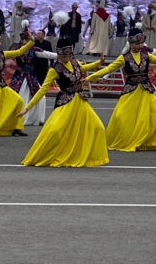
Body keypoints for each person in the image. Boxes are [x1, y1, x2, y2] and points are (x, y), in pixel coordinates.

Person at [87, 7, 156, 152]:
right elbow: (108, 69)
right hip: (131, 91)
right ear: (130, 44)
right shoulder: (124, 57)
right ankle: (125, 139)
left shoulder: (146, 55)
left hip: (146, 89)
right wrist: (90, 78)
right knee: (121, 117)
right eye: (137, 44)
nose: (140, 46)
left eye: (141, 43)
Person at [19, 12, 110, 168]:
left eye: (69, 53)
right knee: (55, 131)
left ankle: (90, 156)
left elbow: (83, 67)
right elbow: (42, 91)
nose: (67, 56)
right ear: (58, 54)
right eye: (64, 54)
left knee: (98, 127)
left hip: (80, 100)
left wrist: (98, 64)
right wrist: (27, 108)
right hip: (65, 102)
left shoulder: (74, 61)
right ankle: (43, 155)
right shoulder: (55, 69)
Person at [11, 25, 57, 127]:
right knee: (20, 97)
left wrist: (61, 56)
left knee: (41, 97)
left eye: (28, 40)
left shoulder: (34, 50)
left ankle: (36, 119)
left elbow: (47, 54)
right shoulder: (16, 50)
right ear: (21, 40)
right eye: (25, 40)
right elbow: (4, 55)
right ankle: (17, 119)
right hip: (19, 77)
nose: (26, 42)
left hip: (31, 77)